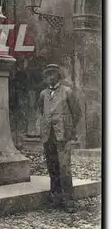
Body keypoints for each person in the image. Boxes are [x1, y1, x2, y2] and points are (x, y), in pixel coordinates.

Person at [37, 64, 82, 209]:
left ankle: (69, 201)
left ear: (58, 76)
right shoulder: (43, 94)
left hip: (63, 136)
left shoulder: (67, 92)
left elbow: (77, 113)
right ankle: (55, 198)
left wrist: (68, 129)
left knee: (64, 168)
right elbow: (41, 111)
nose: (50, 77)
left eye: (52, 74)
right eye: (47, 75)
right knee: (52, 166)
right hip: (48, 135)